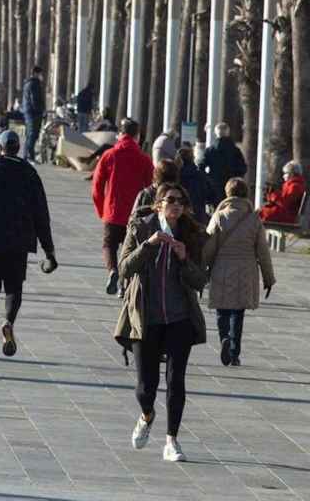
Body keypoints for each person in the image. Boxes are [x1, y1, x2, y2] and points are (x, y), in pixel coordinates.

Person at [116, 183, 207, 463]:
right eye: (170, 200)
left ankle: (172, 440)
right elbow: (124, 268)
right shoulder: (141, 228)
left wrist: (183, 259)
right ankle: (147, 415)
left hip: (179, 317)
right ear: (158, 204)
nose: (176, 205)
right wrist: (148, 245)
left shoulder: (191, 234)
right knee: (146, 386)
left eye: (181, 201)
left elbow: (200, 280)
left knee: (176, 380)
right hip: (146, 317)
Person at [0, 130, 57, 359]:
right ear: (18, 148)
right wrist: (49, 250)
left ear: (0, 147)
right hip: (19, 241)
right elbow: (41, 214)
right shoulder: (29, 173)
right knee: (14, 288)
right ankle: (8, 321)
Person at [204, 178, 275, 367]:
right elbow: (263, 252)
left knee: (222, 309)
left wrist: (203, 268)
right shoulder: (254, 219)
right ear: (246, 195)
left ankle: (223, 339)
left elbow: (208, 246)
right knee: (238, 312)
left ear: (227, 194)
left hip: (222, 267)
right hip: (246, 269)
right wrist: (268, 278)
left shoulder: (219, 216)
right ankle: (234, 352)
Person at [92, 119, 154, 296]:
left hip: (112, 211)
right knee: (131, 251)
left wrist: (101, 210)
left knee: (109, 245)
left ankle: (112, 271)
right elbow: (151, 186)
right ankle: (123, 285)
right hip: (135, 213)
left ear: (120, 134)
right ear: (137, 136)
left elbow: (97, 186)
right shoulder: (144, 159)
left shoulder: (109, 155)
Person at [199, 122, 248, 204]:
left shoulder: (210, 150)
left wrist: (208, 178)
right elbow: (243, 168)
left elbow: (201, 166)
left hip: (215, 186)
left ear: (216, 133)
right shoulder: (235, 150)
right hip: (232, 186)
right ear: (228, 133)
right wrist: (236, 177)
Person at [176, 146, 214, 225]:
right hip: (199, 216)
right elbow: (211, 196)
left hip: (179, 216)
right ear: (192, 158)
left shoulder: (175, 177)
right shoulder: (201, 176)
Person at [20, 66, 46, 162]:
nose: (42, 76)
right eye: (41, 74)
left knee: (30, 134)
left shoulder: (30, 83)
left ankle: (27, 155)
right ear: (36, 73)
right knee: (32, 134)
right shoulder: (34, 84)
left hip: (29, 111)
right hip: (33, 113)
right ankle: (29, 156)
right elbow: (35, 99)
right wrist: (40, 110)